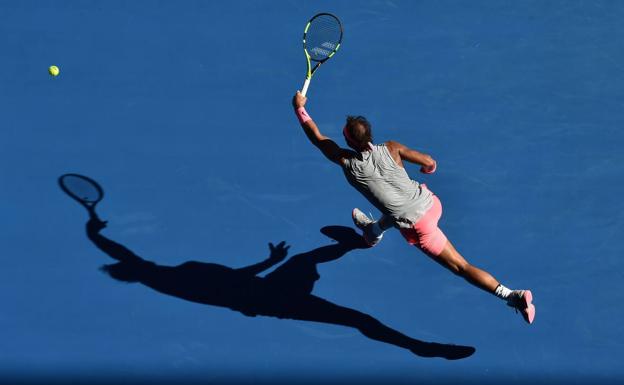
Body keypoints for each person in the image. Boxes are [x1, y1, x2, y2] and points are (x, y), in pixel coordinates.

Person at [292, 91, 535, 324]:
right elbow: (429, 162)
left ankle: (512, 295)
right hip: (431, 202)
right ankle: (372, 231)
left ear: (348, 140)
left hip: (419, 225)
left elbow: (317, 138)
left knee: (461, 266)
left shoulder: (345, 161)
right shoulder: (392, 147)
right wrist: (426, 170)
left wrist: (299, 108)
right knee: (394, 208)